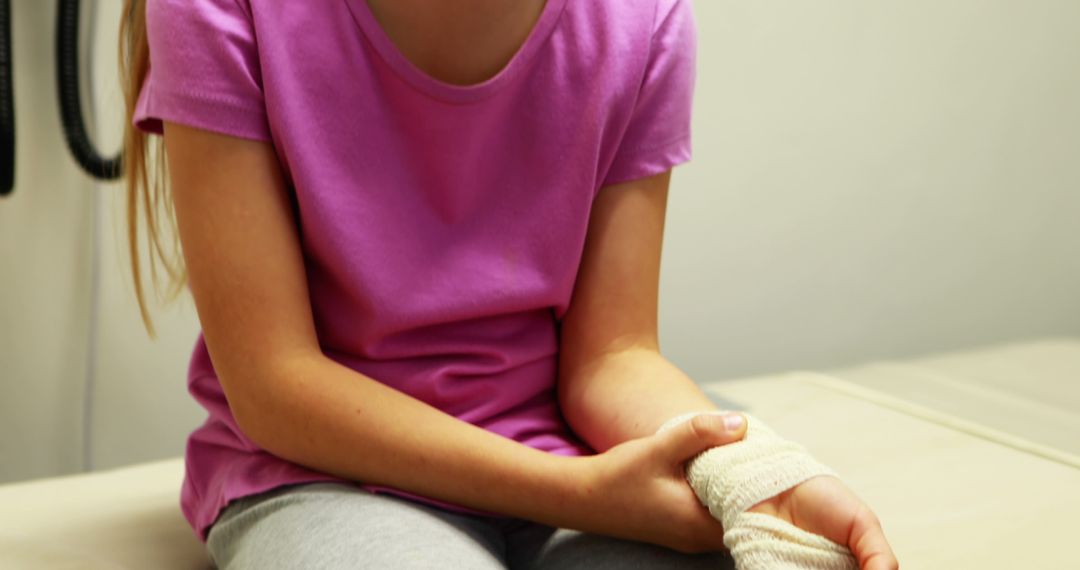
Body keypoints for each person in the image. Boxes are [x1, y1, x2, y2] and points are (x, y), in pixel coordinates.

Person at [119, 0, 898, 568]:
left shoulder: (645, 23)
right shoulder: (220, 10)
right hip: (327, 477)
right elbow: (273, 385)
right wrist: (577, 493)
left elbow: (614, 356)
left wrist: (761, 475)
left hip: (572, 460)